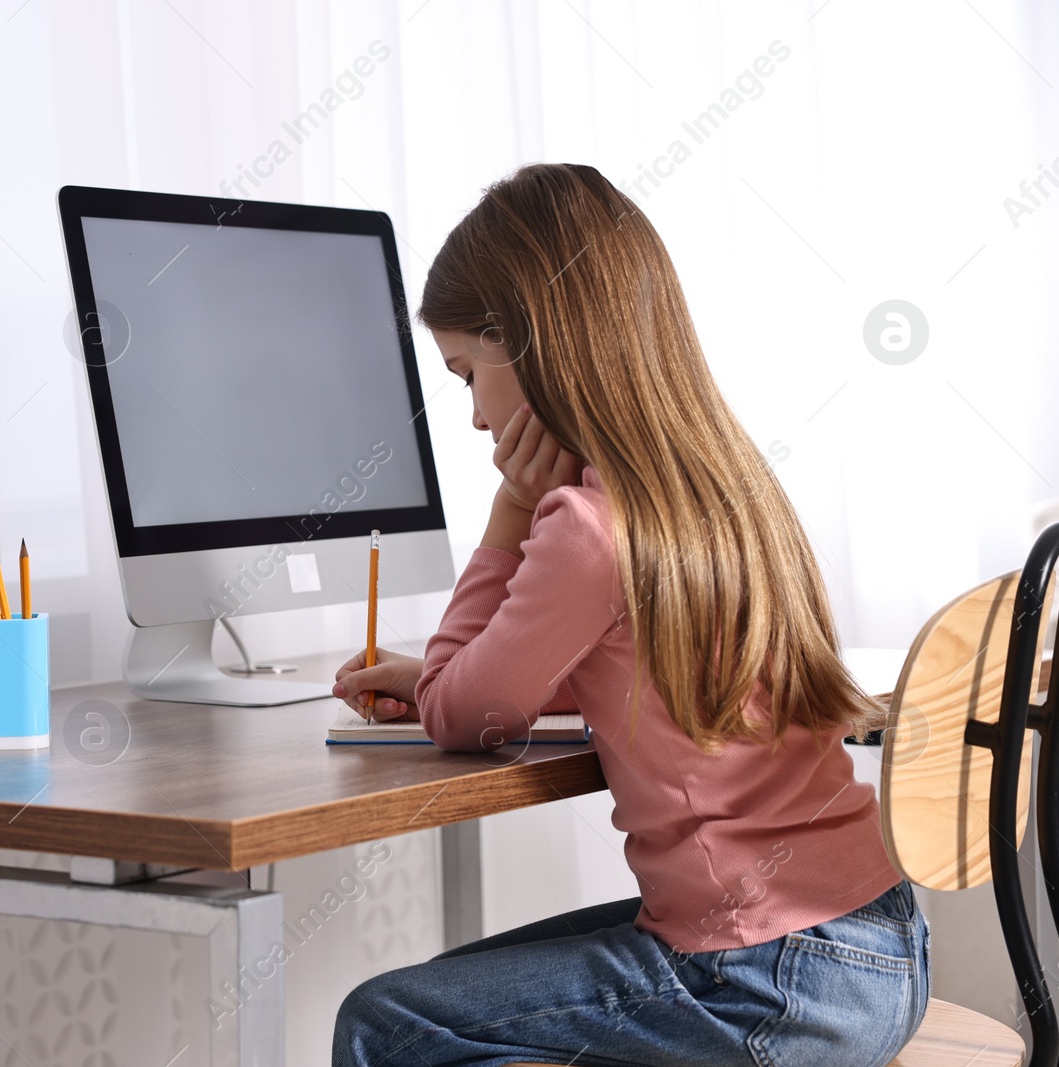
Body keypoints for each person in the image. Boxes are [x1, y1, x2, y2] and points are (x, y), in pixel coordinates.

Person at [329, 163, 929, 1067]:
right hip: (877, 948)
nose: (475, 419)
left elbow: (468, 717)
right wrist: (437, 675)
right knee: (451, 995)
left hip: (762, 982)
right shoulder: (725, 490)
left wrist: (508, 515)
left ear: (522, 344)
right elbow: (630, 668)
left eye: (464, 375)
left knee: (387, 1023)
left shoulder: (587, 527)